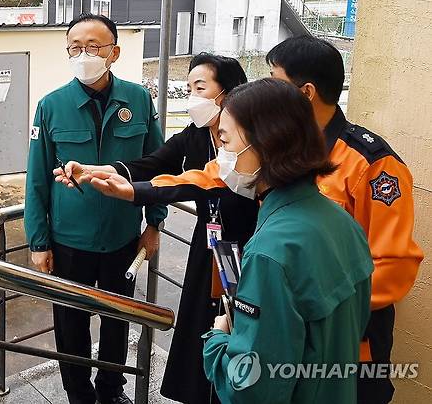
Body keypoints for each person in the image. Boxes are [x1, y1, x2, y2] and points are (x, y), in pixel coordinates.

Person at [80, 79, 375, 403]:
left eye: (226, 140)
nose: (221, 156)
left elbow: (247, 387)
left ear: (265, 144)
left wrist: (219, 336)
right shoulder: (342, 221)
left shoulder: (270, 254)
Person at [55, 53, 259, 404]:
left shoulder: (254, 140)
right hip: (211, 244)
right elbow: (154, 165)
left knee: (244, 321)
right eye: (189, 87)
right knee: (204, 321)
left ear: (227, 94)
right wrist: (100, 171)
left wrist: (135, 196)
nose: (192, 97)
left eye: (200, 87)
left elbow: (185, 183)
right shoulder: (197, 135)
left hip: (246, 243)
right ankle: (202, 392)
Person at [266, 35, 423, 404]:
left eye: (274, 81)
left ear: (305, 92)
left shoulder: (372, 163)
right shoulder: (289, 148)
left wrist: (318, 304)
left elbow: (394, 266)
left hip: (353, 343)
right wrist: (140, 187)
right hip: (294, 331)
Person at [24, 13, 167, 404]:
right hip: (69, 242)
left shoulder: (138, 99)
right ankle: (78, 393)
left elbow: (157, 165)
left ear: (114, 53)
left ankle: (111, 389)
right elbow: (36, 180)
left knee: (118, 320)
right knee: (71, 324)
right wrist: (38, 242)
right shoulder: (51, 106)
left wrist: (154, 224)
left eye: (93, 46)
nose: (83, 54)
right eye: (75, 47)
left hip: (123, 238)